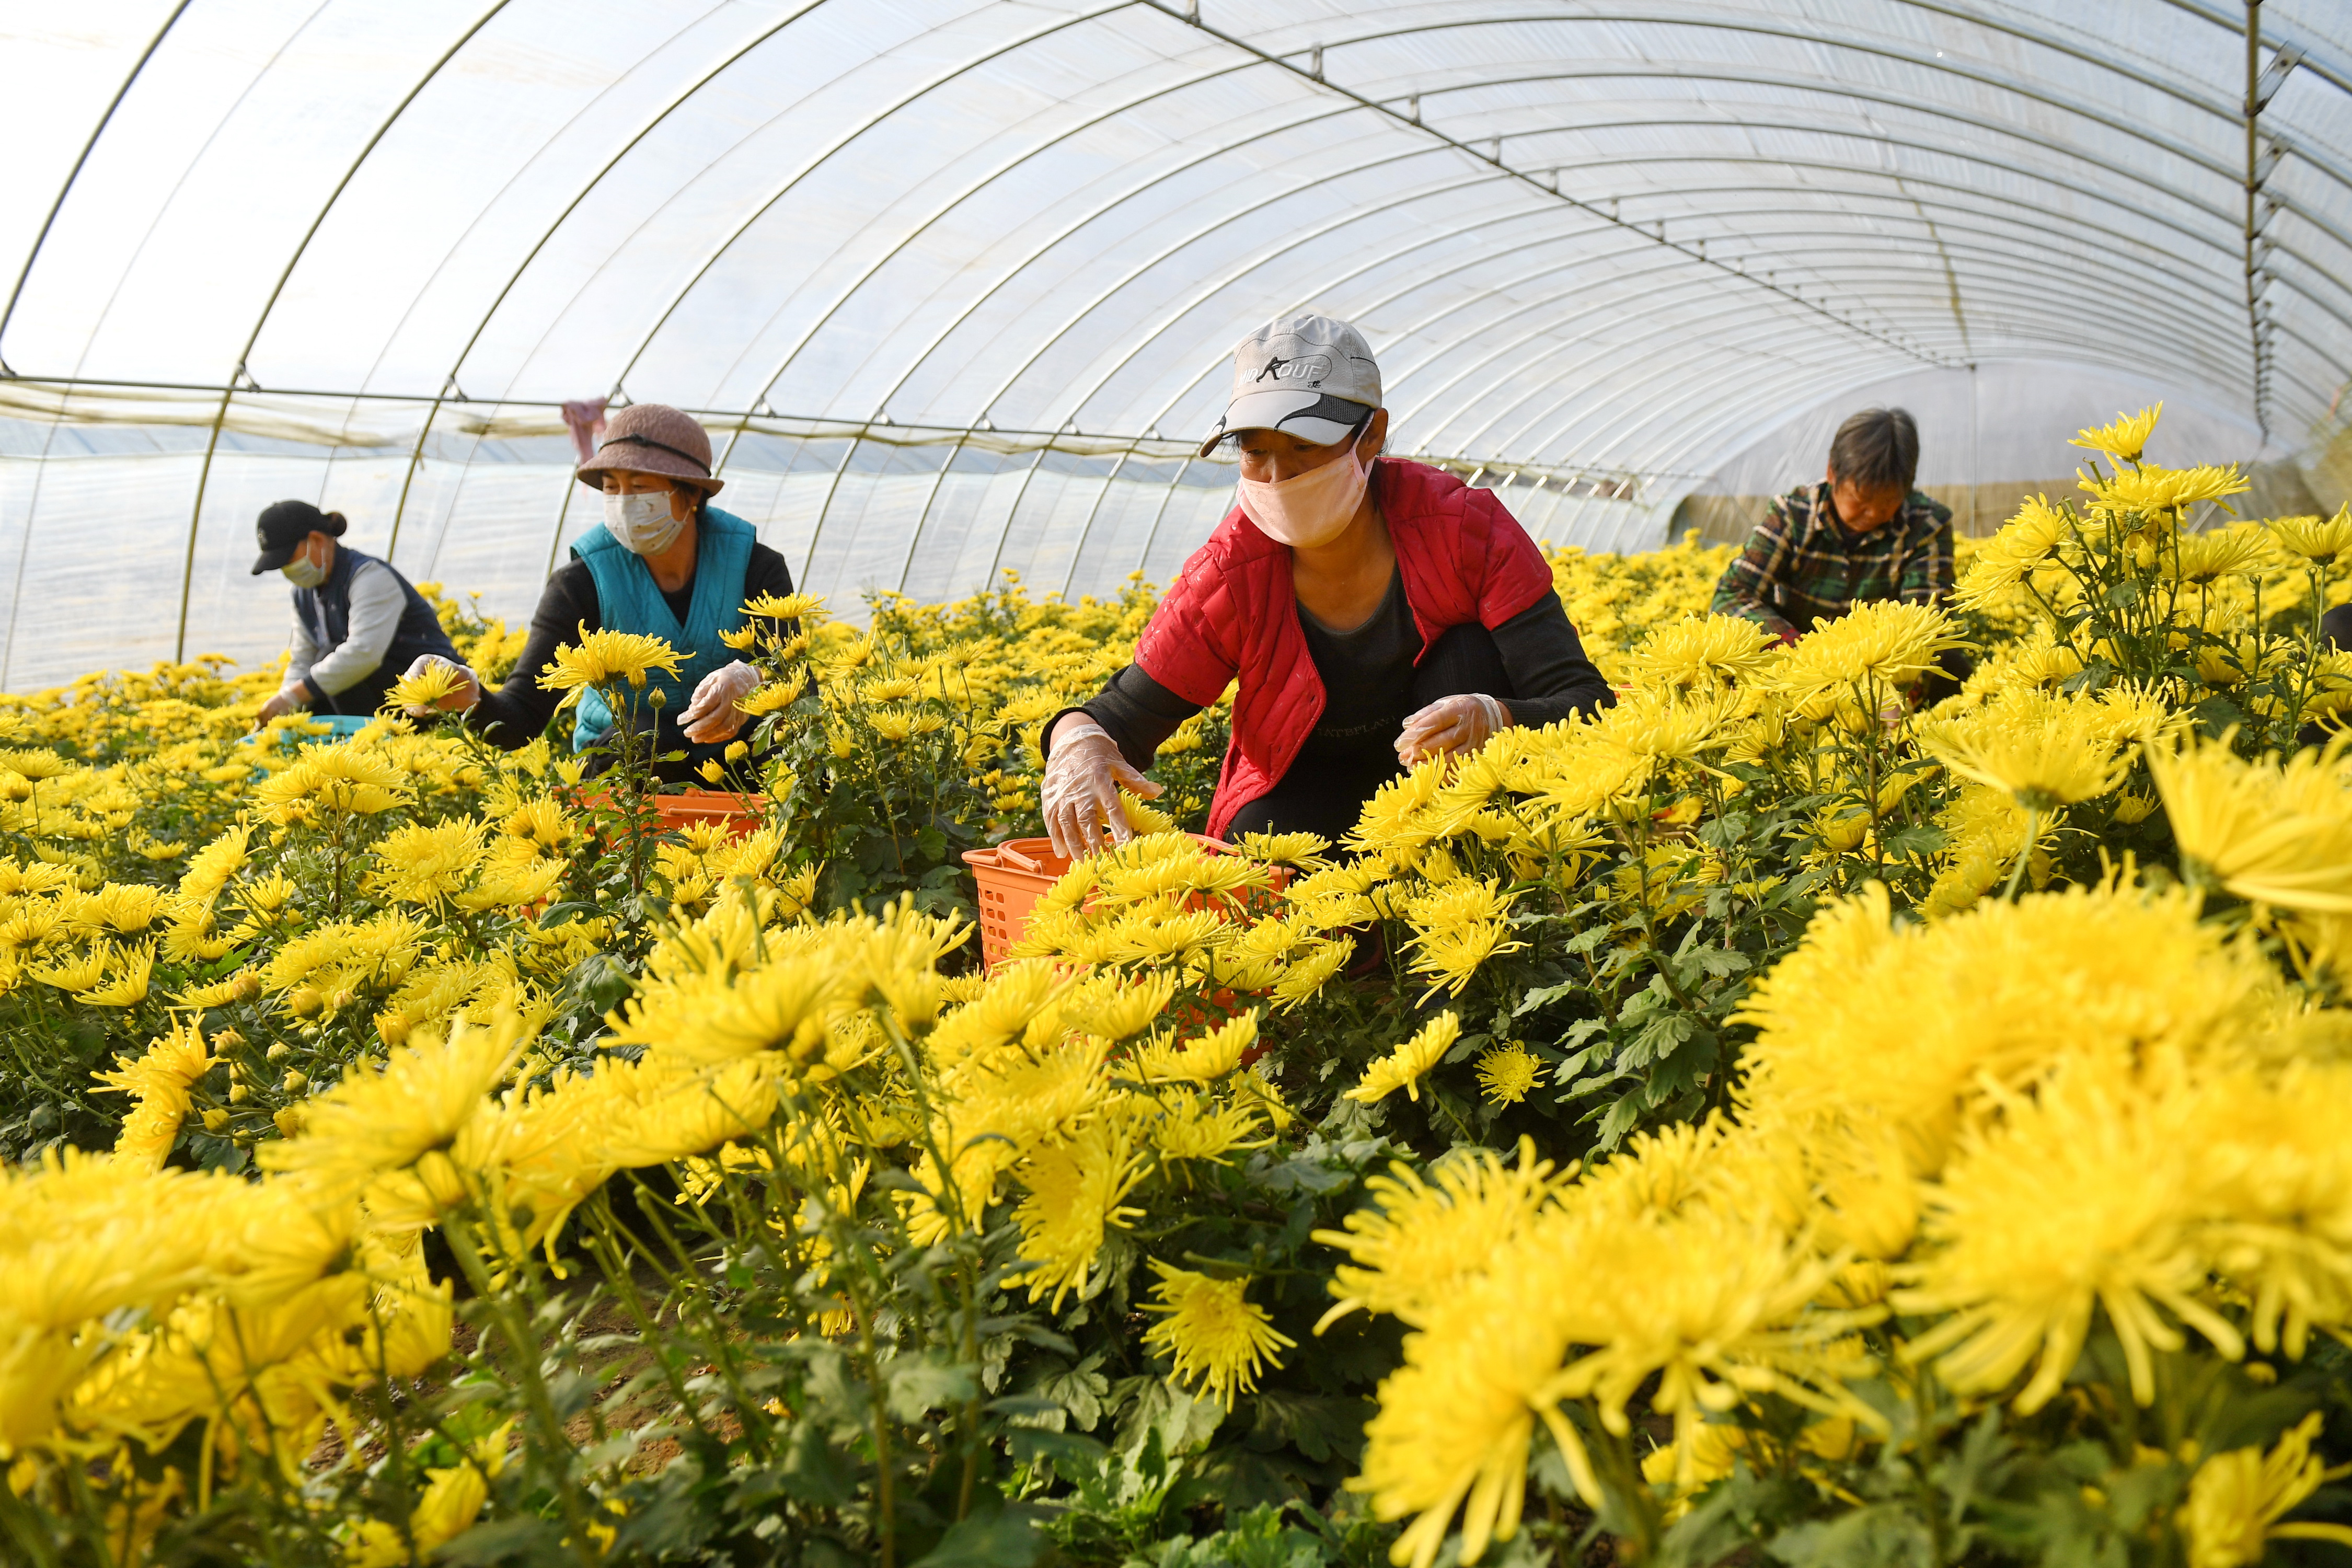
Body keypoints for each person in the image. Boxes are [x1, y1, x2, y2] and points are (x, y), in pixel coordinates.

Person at [1039, 312, 1613, 859]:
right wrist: (1075, 744)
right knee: (1264, 858)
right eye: (1255, 451)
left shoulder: (1463, 528)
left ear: (1372, 436)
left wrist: (1499, 717)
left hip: (1456, 789)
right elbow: (1124, 718)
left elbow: (1585, 701)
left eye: (1303, 447)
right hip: (1307, 792)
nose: (1276, 477)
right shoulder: (1231, 572)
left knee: (1466, 649)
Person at [400, 403, 798, 780]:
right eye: (612, 488)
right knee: (643, 737)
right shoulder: (581, 582)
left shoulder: (754, 567)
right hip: (629, 770)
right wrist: (471, 696)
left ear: (691, 495)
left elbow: (798, 682)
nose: (624, 504)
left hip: (737, 763)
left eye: (640, 487)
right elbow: (522, 717)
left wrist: (753, 676)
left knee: (780, 743)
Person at [1710, 407, 1956, 643]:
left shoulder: (1927, 525)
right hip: (1792, 661)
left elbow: (1929, 621)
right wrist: (1791, 646)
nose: (1872, 514)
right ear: (1832, 472)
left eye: (1889, 502)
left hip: (1880, 665)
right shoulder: (1793, 515)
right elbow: (1732, 594)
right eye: (1862, 500)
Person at [252, 500, 462, 722]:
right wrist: (283, 708)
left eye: (288, 559)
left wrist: (293, 696)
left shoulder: (371, 577)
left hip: (439, 699)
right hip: (383, 698)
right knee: (314, 688)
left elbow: (364, 653)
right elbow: (302, 659)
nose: (287, 570)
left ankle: (370, 747)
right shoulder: (302, 594)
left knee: (327, 665)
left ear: (316, 540)